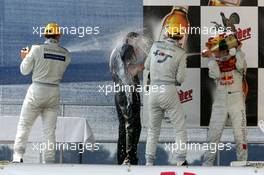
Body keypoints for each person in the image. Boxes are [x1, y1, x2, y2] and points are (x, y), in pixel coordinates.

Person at [12, 22, 71, 163]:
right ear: (58, 36)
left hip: (37, 90)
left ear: (45, 35)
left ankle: (18, 156)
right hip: (53, 92)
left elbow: (24, 71)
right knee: (49, 131)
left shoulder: (36, 49)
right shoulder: (66, 54)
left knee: (24, 124)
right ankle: (49, 162)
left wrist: (25, 56)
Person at [144, 16, 188, 166]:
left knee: (153, 129)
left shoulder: (155, 46)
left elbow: (147, 66)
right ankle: (181, 160)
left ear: (167, 32)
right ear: (180, 35)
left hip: (154, 91)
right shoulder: (181, 53)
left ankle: (149, 162)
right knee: (179, 128)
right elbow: (181, 79)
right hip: (168, 90)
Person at [202, 39, 247, 166]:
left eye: (215, 49)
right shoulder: (213, 62)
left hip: (236, 99)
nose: (213, 51)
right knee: (213, 136)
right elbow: (216, 74)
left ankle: (242, 165)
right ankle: (207, 166)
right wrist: (210, 58)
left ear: (223, 49)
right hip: (220, 101)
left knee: (240, 135)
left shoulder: (237, 58)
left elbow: (241, 67)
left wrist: (238, 49)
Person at [109, 32, 144, 165]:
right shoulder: (127, 48)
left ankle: (122, 158)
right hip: (128, 92)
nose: (139, 46)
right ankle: (130, 158)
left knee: (123, 127)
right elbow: (129, 70)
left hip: (119, 92)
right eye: (138, 42)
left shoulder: (116, 51)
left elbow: (120, 69)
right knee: (133, 126)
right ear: (130, 40)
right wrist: (141, 67)